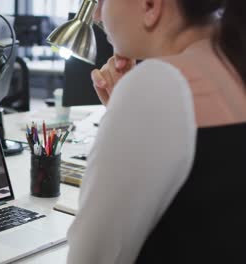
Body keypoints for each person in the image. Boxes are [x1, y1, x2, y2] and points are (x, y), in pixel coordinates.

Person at [67, 0, 246, 263]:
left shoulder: (158, 84)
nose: (96, 14)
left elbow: (91, 255)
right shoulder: (232, 66)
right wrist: (124, 113)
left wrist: (129, 106)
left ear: (150, 6)